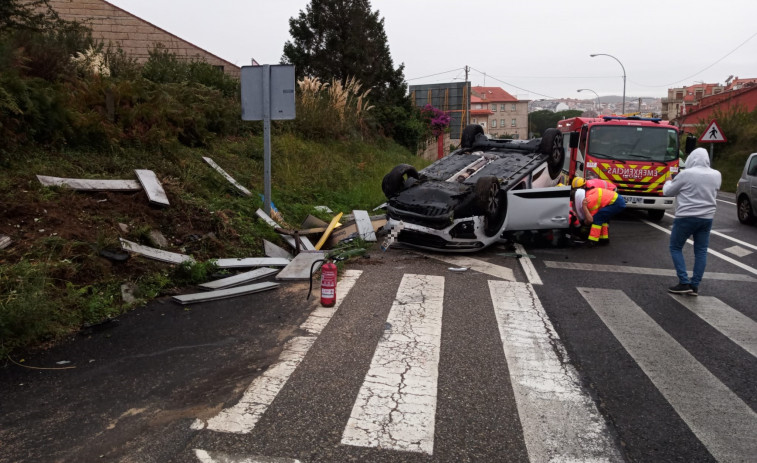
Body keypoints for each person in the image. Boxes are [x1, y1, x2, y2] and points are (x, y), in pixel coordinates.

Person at [662, 147, 721, 296]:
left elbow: (668, 192)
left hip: (686, 217)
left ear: (692, 159)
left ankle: (683, 282)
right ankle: (694, 285)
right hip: (707, 218)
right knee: (701, 251)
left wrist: (668, 181)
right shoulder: (716, 175)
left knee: (675, 247)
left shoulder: (686, 174)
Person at [571, 177, 626, 245]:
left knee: (597, 218)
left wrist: (584, 223)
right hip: (616, 200)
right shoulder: (587, 192)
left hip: (616, 202)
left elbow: (591, 219)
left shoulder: (589, 201)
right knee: (603, 218)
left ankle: (592, 240)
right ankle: (604, 239)